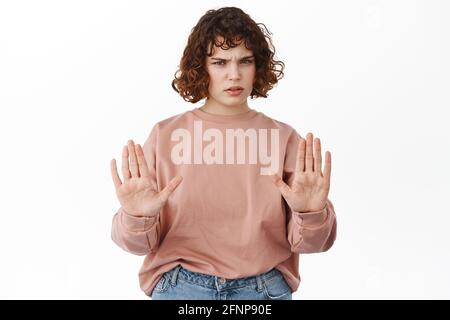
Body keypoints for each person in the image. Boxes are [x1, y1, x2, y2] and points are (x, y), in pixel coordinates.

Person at [110, 6, 337, 300]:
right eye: (220, 62)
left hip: (263, 290)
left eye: (245, 61)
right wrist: (136, 215)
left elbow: (313, 243)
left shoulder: (283, 139)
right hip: (181, 288)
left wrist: (311, 213)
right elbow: (135, 244)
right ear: (201, 67)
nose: (234, 74)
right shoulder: (165, 136)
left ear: (258, 67)